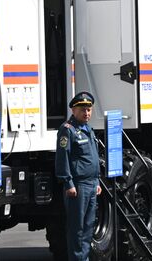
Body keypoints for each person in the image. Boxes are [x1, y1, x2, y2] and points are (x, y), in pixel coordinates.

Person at [54, 91, 102, 261]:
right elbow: (62, 158)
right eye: (82, 109)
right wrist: (68, 183)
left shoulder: (88, 130)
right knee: (77, 229)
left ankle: (84, 258)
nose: (86, 113)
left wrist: (97, 180)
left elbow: (93, 157)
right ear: (73, 110)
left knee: (88, 228)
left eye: (89, 109)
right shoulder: (68, 130)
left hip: (91, 184)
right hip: (78, 186)